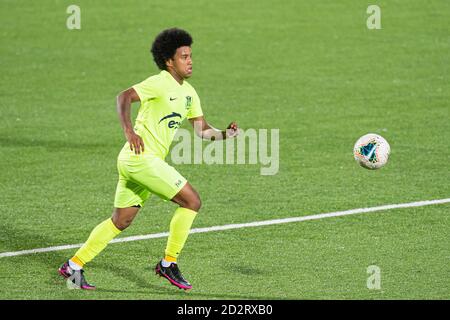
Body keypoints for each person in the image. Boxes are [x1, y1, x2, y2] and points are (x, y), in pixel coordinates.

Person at [58, 28, 239, 290]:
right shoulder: (159, 82)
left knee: (121, 221)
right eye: (184, 56)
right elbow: (124, 97)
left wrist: (226, 134)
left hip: (135, 162)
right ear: (169, 61)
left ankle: (73, 265)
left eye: (190, 56)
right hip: (142, 159)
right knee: (192, 201)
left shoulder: (190, 93)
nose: (190, 61)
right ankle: (168, 263)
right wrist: (128, 131)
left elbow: (202, 130)